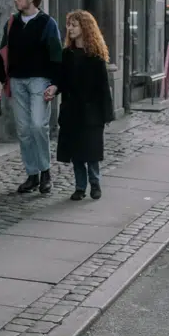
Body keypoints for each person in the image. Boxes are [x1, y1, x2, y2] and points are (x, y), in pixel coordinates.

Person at [0, 0, 63, 195]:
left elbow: (56, 56)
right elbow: (3, 52)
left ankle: (45, 171)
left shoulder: (47, 23)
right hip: (17, 80)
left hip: (39, 81)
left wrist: (55, 84)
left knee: (37, 125)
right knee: (23, 130)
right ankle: (32, 175)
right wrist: (0, 79)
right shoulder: (12, 22)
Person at [55, 10, 115, 202]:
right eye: (69, 25)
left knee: (91, 153)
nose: (70, 29)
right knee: (76, 153)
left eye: (74, 25)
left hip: (91, 114)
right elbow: (62, 80)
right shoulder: (67, 54)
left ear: (85, 28)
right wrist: (54, 88)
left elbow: (103, 89)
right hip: (72, 111)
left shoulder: (95, 57)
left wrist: (106, 115)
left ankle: (95, 184)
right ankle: (80, 187)